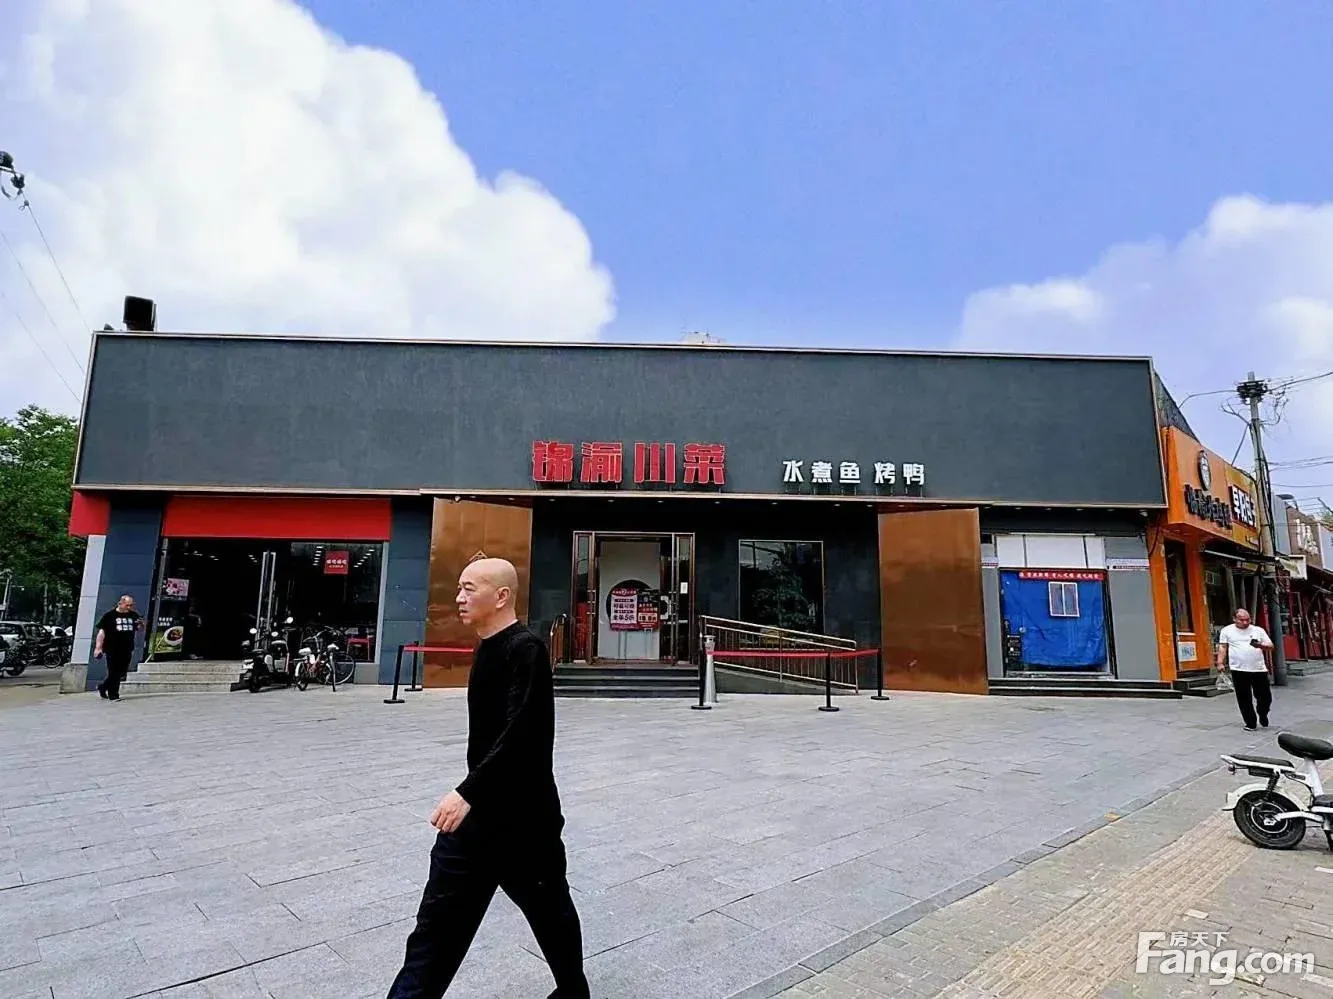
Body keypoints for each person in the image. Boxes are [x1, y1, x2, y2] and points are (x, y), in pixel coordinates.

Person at [386, 556, 590, 999]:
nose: (459, 597)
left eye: (469, 588)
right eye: (459, 587)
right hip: (479, 824)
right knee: (435, 931)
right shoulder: (486, 647)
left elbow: (524, 734)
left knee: (550, 912)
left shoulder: (526, 650)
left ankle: (573, 991)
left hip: (526, 823)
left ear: (501, 596)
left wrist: (467, 792)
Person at [1216, 607, 1274, 731]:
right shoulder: (1227, 631)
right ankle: (1250, 722)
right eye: (1242, 620)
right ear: (1234, 619)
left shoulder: (1258, 630)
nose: (1245, 622)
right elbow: (1223, 647)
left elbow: (1270, 645)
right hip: (1238, 669)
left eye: (1248, 620)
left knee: (1265, 697)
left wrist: (1260, 645)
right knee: (1244, 697)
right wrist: (1220, 662)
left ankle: (1263, 713)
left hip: (1258, 669)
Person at [94, 594, 144, 701]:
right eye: (127, 605)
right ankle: (113, 695)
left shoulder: (133, 615)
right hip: (112, 648)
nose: (129, 607)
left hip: (127, 648)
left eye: (131, 605)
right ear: (120, 603)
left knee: (121, 672)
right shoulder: (110, 616)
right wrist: (98, 648)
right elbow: (101, 633)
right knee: (113, 671)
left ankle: (103, 687)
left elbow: (140, 628)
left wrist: (141, 624)